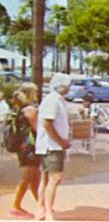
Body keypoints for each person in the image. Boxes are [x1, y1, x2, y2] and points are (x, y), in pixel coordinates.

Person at [35, 73, 72, 221]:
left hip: (52, 145)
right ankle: (48, 211)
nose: (69, 88)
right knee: (54, 178)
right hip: (51, 146)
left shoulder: (57, 100)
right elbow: (47, 124)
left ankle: (42, 209)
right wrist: (61, 142)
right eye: (67, 85)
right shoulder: (53, 100)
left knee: (46, 178)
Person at [9, 83, 41, 219]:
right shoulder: (30, 110)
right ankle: (15, 206)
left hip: (23, 146)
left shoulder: (19, 109)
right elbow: (38, 128)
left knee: (34, 177)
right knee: (28, 177)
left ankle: (42, 204)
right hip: (29, 147)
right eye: (35, 92)